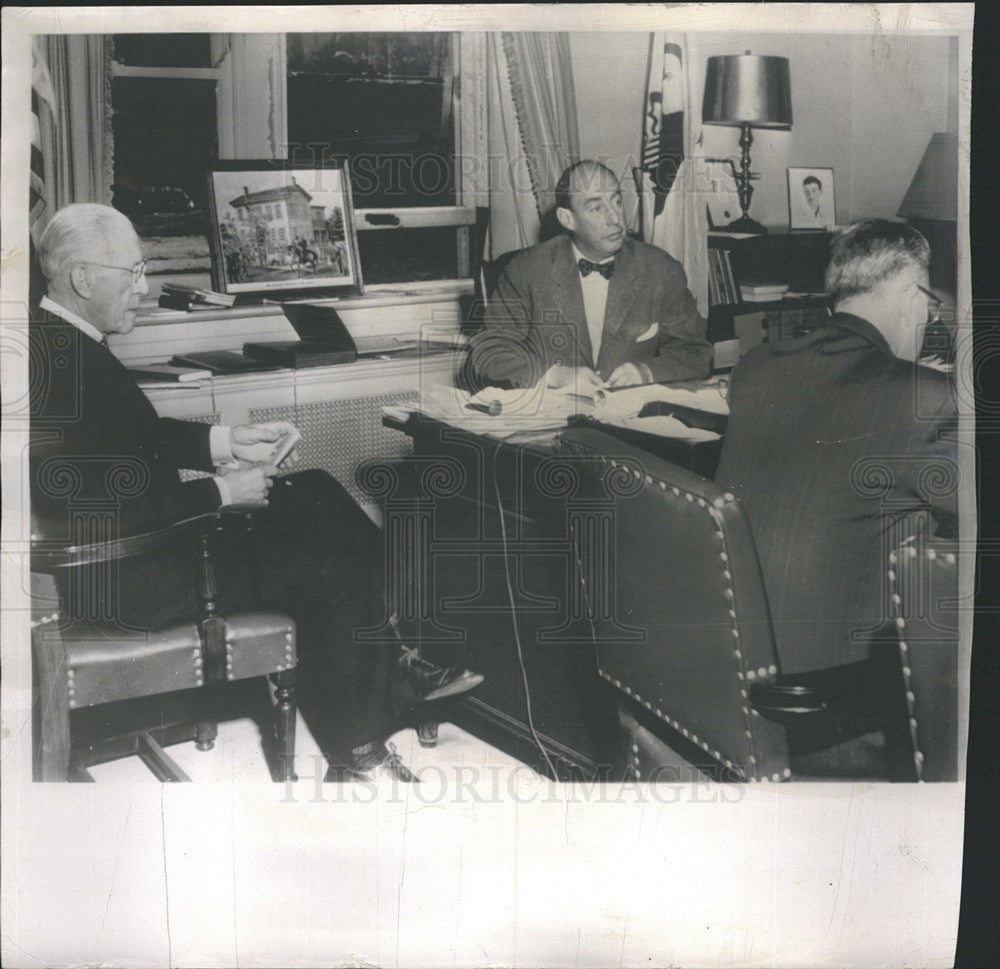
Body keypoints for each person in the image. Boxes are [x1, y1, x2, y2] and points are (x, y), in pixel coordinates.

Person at [29, 203, 483, 782]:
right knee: (330, 571)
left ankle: (397, 659)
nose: (143, 289)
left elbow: (133, 440)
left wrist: (228, 441)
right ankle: (357, 745)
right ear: (83, 278)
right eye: (134, 273)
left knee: (315, 490)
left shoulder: (63, 341)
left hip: (148, 545)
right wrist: (221, 493)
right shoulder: (58, 366)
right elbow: (97, 514)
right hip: (131, 575)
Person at [715, 219, 958, 681]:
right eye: (930, 305)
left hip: (740, 662)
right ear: (912, 298)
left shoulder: (757, 367)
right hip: (843, 679)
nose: (930, 321)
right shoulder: (925, 398)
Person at [469, 160, 712, 392]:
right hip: (554, 416)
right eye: (597, 208)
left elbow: (696, 352)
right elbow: (488, 353)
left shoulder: (660, 269)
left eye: (617, 202)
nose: (615, 219)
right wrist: (554, 376)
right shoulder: (526, 270)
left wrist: (645, 372)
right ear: (568, 219)